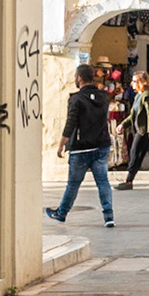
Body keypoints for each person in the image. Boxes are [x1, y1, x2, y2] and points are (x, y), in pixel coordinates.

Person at [45, 62, 115, 229]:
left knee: (74, 183)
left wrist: (62, 144)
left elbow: (71, 123)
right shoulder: (104, 97)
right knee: (103, 181)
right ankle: (109, 216)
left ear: (79, 78)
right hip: (101, 145)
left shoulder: (76, 99)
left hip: (81, 147)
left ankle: (61, 213)